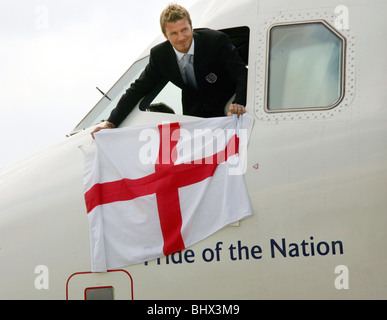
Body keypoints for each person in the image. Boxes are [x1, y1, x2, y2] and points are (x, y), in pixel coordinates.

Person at [91, 4, 247, 138]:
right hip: (194, 119)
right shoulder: (160, 56)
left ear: (192, 27)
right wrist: (111, 123)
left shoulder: (215, 41)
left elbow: (241, 73)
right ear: (165, 35)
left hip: (228, 111)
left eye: (184, 30)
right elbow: (136, 90)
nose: (181, 38)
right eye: (174, 33)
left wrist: (238, 102)